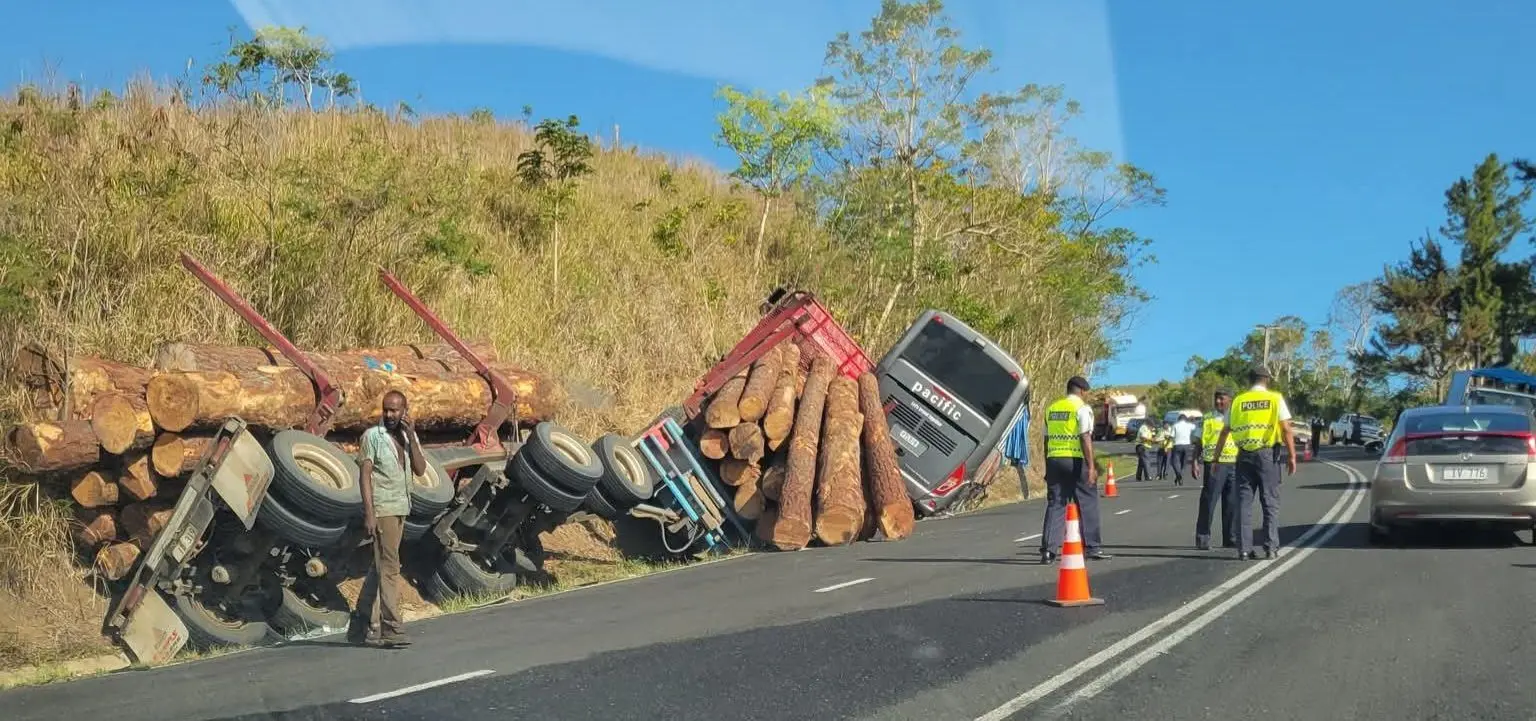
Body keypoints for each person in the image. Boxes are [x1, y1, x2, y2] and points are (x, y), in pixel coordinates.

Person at [357, 390, 426, 648]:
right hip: (383, 508)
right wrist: (369, 513)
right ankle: (391, 627)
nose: (389, 415)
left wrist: (413, 438)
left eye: (395, 410)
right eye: (386, 409)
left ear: (405, 411)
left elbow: (420, 469)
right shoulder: (373, 437)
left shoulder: (408, 437)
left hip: (401, 508)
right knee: (389, 567)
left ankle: (362, 623)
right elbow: (364, 476)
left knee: (381, 566)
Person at [1211, 367, 1296, 561]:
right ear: (1266, 379)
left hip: (1243, 456)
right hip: (1267, 455)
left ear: (1250, 380)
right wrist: (1292, 456)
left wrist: (1216, 458)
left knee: (1244, 503)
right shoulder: (1275, 399)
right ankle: (1271, 548)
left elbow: (1225, 431)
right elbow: (1286, 429)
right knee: (1270, 502)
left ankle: (1243, 550)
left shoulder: (1238, 401)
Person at [1039, 376, 1112, 564]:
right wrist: (1091, 467)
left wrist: (1048, 465)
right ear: (1081, 391)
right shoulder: (1081, 409)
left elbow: (1046, 440)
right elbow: (1085, 437)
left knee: (1056, 503)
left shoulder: (1052, 409)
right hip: (1075, 459)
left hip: (1054, 459)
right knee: (1087, 500)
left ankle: (1048, 551)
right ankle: (1092, 547)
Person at [1192, 390, 1239, 550]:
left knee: (1231, 503)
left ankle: (1230, 537)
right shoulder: (1206, 418)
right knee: (1209, 501)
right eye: (1216, 399)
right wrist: (1194, 461)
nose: (1218, 402)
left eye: (1222, 399)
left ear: (1230, 400)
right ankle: (1203, 538)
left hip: (1234, 463)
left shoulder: (1237, 417)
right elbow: (1198, 441)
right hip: (1214, 464)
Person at [1170, 413, 1198, 486]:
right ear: (1186, 419)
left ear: (1178, 419)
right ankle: (1179, 475)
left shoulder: (1175, 425)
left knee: (1175, 462)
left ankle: (1178, 475)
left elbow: (1172, 436)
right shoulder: (1189, 425)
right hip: (1187, 445)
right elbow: (1195, 427)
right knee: (1183, 462)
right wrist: (1192, 420)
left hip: (1177, 445)